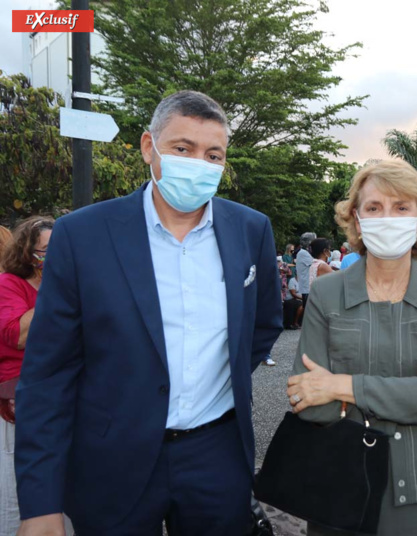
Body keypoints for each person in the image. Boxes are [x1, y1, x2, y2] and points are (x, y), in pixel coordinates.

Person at [14, 90, 284, 536]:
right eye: (183, 148)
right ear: (148, 147)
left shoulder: (250, 229)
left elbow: (263, 324)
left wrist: (210, 376)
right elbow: (47, 375)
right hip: (110, 458)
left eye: (213, 154)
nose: (199, 163)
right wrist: (40, 505)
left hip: (215, 454)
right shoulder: (82, 235)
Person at [287, 160, 417, 536]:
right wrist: (402, 394)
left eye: (401, 207)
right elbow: (311, 405)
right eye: (374, 208)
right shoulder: (326, 292)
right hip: (339, 484)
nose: (388, 218)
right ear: (356, 218)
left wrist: (341, 386)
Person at [0, 217, 60, 536]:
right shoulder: (10, 283)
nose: (54, 257)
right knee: (15, 485)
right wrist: (54, 287)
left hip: (60, 395)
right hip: (18, 400)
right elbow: (17, 335)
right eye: (47, 250)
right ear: (27, 253)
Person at [296, 232, 316, 308]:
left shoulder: (306, 253)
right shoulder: (303, 253)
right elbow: (316, 264)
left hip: (309, 287)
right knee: (309, 311)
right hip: (307, 288)